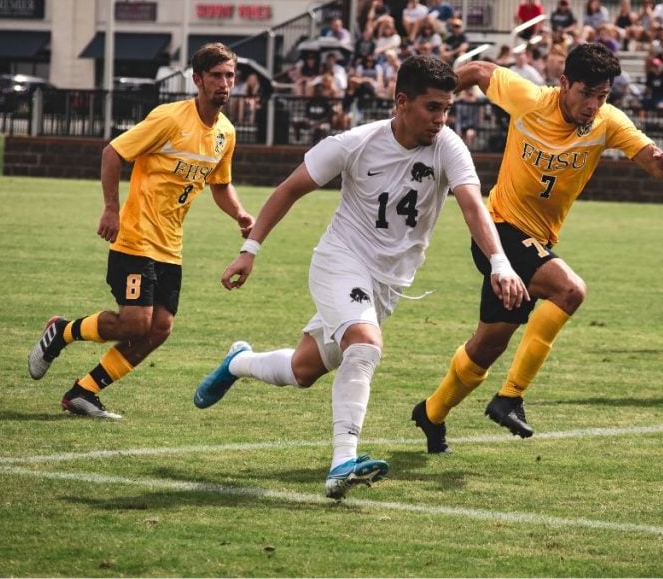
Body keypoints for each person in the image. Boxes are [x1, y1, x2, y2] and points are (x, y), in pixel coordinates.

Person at [191, 55, 528, 499]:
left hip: (388, 283)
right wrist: (249, 250)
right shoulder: (355, 143)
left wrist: (500, 262)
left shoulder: (448, 145)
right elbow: (290, 188)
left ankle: (238, 361)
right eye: (432, 107)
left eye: (447, 109)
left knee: (303, 370)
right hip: (341, 261)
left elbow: (472, 206)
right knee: (365, 344)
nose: (441, 119)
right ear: (401, 101)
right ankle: (342, 463)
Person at [410, 43, 663, 453]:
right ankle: (510, 397)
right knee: (569, 290)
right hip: (498, 231)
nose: (593, 105)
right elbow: (481, 70)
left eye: (602, 96)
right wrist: (440, 102)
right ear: (564, 84)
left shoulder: (608, 122)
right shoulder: (531, 100)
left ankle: (431, 413)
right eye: (585, 93)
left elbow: (648, 157)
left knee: (486, 347)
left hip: (536, 241)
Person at [27, 43, 255, 418]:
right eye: (216, 76)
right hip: (135, 237)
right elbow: (113, 153)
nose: (225, 83)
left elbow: (220, 184)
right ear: (197, 80)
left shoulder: (226, 133)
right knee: (135, 323)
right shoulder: (169, 118)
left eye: (230, 76)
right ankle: (62, 331)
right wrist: (111, 209)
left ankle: (83, 392)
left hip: (170, 245)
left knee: (160, 328)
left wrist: (240, 214)